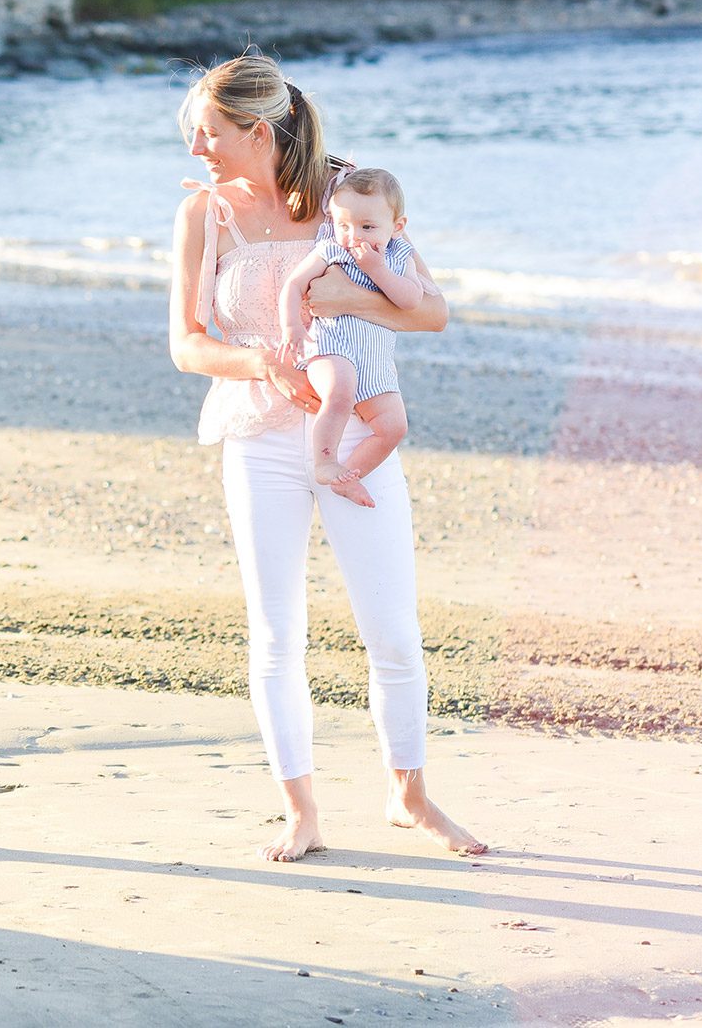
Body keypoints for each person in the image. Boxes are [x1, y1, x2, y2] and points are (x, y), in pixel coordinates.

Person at [167, 53, 484, 862]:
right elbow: (187, 345)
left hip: (354, 435)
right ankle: (301, 811)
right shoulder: (206, 215)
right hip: (258, 434)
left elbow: (432, 313)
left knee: (394, 630)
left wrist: (337, 296)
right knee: (276, 632)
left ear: (257, 129)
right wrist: (265, 363)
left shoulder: (350, 194)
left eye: (208, 133)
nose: (196, 148)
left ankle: (409, 794)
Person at [278, 168, 432, 508]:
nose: (353, 236)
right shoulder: (331, 248)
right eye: (343, 224)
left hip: (375, 359)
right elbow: (293, 285)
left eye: (367, 227)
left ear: (397, 227)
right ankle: (325, 461)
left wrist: (378, 270)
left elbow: (410, 300)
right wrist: (293, 327)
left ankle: (351, 476)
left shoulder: (399, 257)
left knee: (394, 426)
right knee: (340, 393)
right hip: (333, 345)